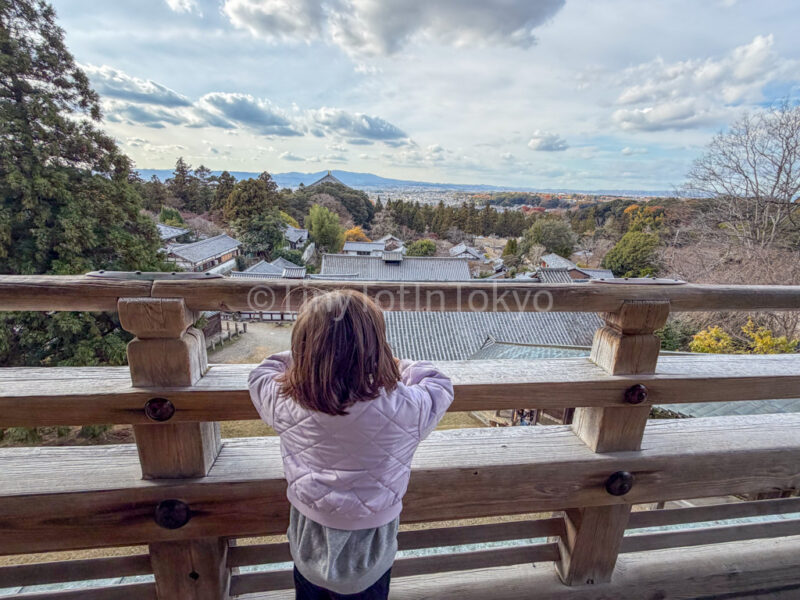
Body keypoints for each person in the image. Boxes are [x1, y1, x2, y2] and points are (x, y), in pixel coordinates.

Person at [248, 290, 454, 599]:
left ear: (304, 349)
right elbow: (438, 383)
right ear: (376, 348)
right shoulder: (404, 408)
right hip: (371, 543)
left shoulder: (285, 401)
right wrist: (392, 363)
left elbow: (262, 372)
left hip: (309, 536)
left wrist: (309, 360)